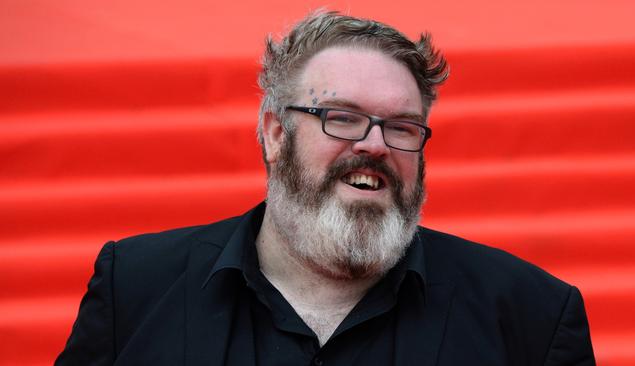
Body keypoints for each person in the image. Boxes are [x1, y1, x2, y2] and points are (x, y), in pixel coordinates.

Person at [56, 10, 595, 366]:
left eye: (402, 126)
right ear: (274, 133)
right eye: (341, 117)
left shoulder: (533, 318)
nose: (376, 145)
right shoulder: (134, 288)